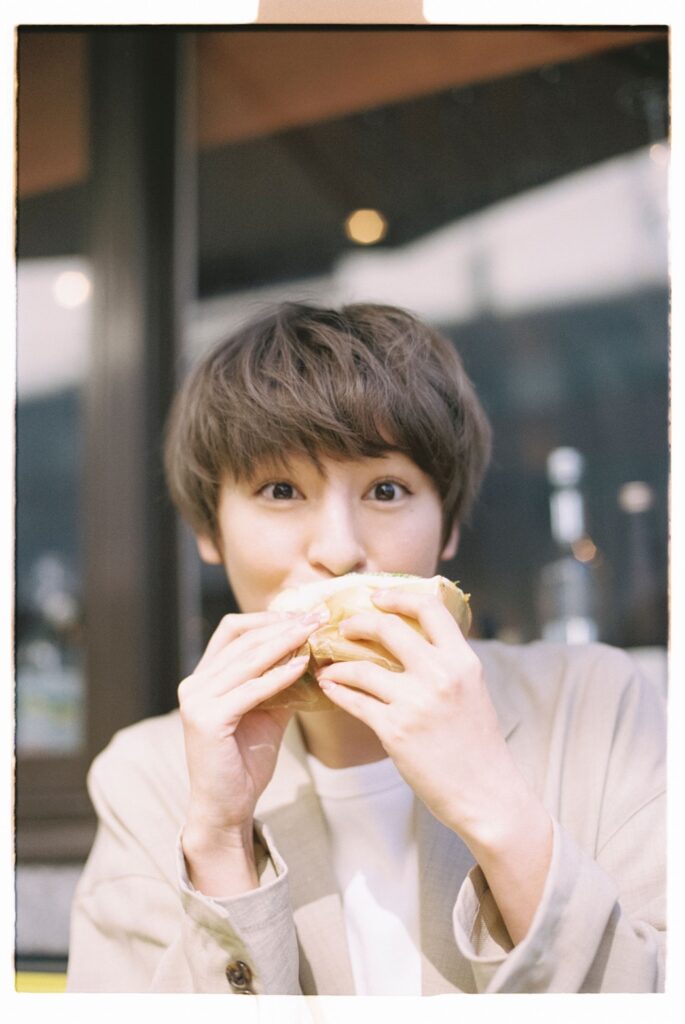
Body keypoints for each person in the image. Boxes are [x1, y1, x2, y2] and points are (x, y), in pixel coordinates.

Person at [66, 303, 666, 994]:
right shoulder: (148, 777)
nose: (339, 549)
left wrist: (494, 805)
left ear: (447, 526)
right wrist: (221, 844)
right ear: (210, 530)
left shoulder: (595, 704)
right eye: (280, 490)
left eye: (386, 490)